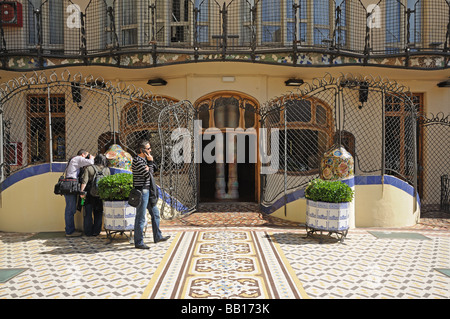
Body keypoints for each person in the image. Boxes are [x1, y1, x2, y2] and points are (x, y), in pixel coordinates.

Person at [132, 140, 170, 249]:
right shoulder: (137, 161)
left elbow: (152, 170)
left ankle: (157, 236)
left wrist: (150, 164)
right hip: (142, 191)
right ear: (142, 150)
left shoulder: (143, 160)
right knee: (141, 217)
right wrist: (149, 164)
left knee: (155, 214)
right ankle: (138, 242)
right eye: (148, 149)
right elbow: (148, 175)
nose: (150, 150)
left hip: (148, 191)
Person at [64, 149, 94, 237]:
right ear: (83, 155)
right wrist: (91, 157)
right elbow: (91, 162)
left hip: (69, 184)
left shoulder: (73, 159)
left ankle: (70, 229)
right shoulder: (78, 158)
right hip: (71, 185)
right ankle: (69, 231)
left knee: (70, 208)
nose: (87, 158)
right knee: (70, 209)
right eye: (86, 156)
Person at [79, 154, 110, 236]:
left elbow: (84, 182)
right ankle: (96, 231)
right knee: (99, 213)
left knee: (88, 213)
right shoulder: (107, 170)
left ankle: (88, 232)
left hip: (89, 194)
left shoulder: (89, 168)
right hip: (100, 195)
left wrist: (81, 192)